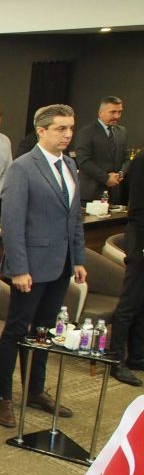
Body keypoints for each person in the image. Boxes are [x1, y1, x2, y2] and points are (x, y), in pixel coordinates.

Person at [0, 104, 87, 427]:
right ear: (41, 131)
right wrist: (19, 268)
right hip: (30, 267)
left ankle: (35, 390)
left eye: (70, 128)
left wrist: (79, 258)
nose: (68, 134)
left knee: (44, 330)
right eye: (61, 128)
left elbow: (74, 218)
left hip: (61, 264)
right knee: (17, 331)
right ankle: (3, 396)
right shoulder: (23, 167)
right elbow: (12, 222)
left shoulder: (70, 164)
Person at [106, 152, 144, 386]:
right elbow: (137, 208)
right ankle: (116, 359)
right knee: (130, 302)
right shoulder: (141, 161)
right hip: (140, 238)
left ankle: (137, 356)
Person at [74, 96, 130, 204]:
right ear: (100, 113)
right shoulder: (86, 132)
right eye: (112, 112)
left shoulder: (122, 132)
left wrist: (120, 174)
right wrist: (106, 178)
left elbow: (127, 159)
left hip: (116, 194)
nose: (117, 116)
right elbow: (84, 161)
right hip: (91, 194)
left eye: (119, 112)